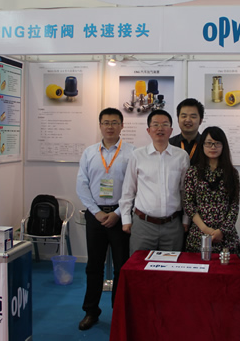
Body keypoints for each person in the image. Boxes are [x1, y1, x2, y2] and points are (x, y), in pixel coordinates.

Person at [76, 108, 135, 331]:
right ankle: (91, 311)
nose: (110, 126)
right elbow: (82, 185)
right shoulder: (89, 153)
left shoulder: (132, 152)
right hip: (96, 217)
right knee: (94, 266)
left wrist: (118, 213)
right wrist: (96, 212)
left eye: (114, 122)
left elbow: (135, 186)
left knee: (121, 266)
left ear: (122, 125)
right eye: (106, 122)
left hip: (122, 216)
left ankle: (118, 312)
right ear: (100, 125)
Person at [120, 109, 190, 254]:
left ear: (171, 130)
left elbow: (185, 192)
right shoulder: (137, 155)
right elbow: (128, 190)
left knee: (171, 266)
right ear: (148, 130)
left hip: (172, 225)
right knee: (140, 266)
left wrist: (186, 219)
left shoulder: (182, 156)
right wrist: (126, 219)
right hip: (143, 224)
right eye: (155, 124)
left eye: (165, 124)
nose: (160, 128)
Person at [183, 126, 240, 254]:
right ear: (202, 145)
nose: (213, 147)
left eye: (217, 143)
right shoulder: (193, 172)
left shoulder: (232, 173)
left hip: (226, 236)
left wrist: (222, 231)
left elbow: (234, 205)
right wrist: (205, 229)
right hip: (199, 234)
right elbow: (188, 204)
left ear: (223, 146)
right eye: (209, 143)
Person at [169, 98, 204, 165]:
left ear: (200, 121)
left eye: (193, 117)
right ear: (178, 119)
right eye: (184, 116)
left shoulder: (206, 144)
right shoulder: (169, 144)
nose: (188, 120)